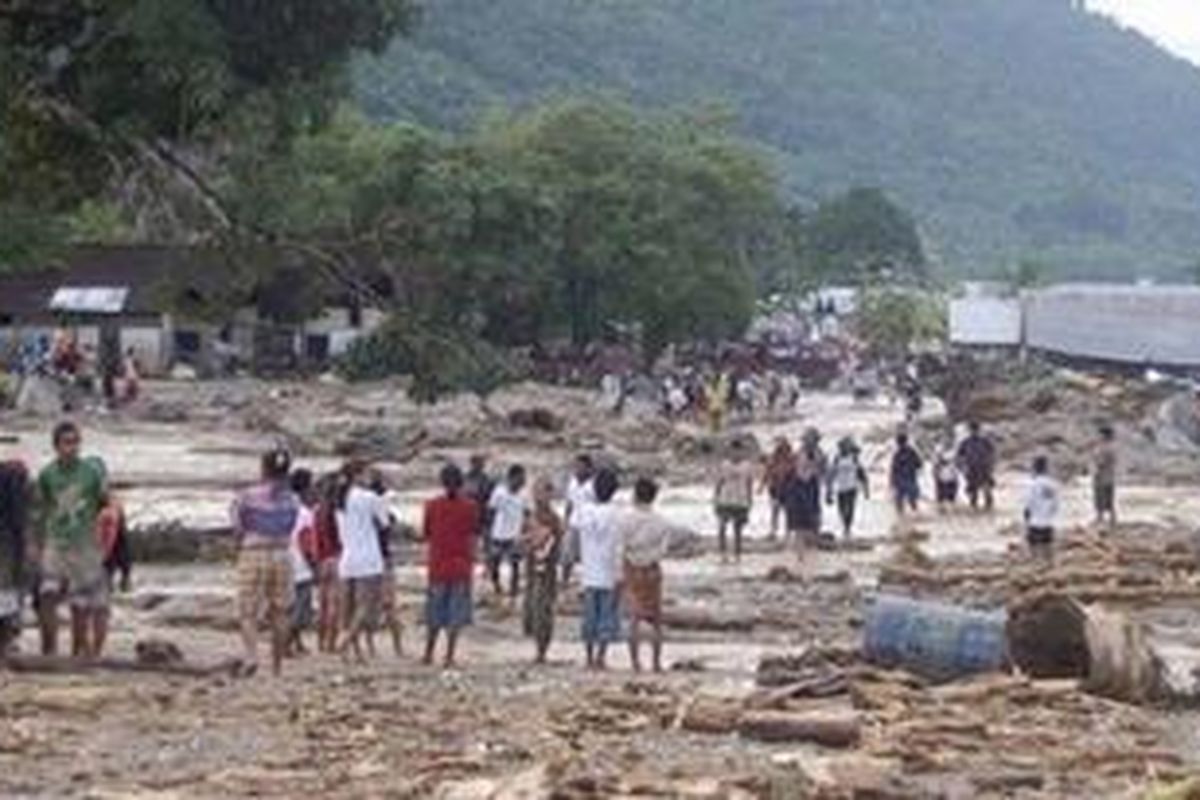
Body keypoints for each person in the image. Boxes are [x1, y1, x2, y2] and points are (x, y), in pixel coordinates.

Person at [36, 422, 109, 659]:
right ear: (56, 446)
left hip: (84, 545)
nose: (73, 447)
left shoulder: (91, 473)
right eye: (67, 442)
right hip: (56, 543)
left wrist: (105, 541)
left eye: (76, 442)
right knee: (47, 594)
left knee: (80, 603)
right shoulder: (47, 474)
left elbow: (106, 504)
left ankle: (78, 652)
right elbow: (42, 509)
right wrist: (36, 544)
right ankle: (49, 649)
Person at [230, 447, 300, 676]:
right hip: (282, 553)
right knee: (280, 611)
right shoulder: (293, 499)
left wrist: (237, 549)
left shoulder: (246, 496)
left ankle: (252, 656)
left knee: (248, 610)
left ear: (263, 468)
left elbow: (238, 527)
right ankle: (277, 665)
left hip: (254, 552)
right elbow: (291, 527)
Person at [422, 464, 479, 668]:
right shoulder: (470, 507)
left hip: (437, 564)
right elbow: (473, 536)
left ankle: (428, 653)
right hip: (461, 565)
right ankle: (449, 655)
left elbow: (427, 533)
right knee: (456, 614)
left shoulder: (432, 505)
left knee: (434, 612)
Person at [335, 460, 389, 663]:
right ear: (357, 476)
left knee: (347, 609)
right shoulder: (369, 497)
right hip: (368, 558)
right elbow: (384, 522)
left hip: (347, 557)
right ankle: (346, 641)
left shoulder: (340, 499)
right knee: (364, 606)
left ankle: (353, 651)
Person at [622, 477, 670, 673]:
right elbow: (663, 549)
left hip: (632, 567)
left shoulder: (626, 519)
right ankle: (656, 662)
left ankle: (635, 662)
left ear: (635, 495)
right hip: (652, 568)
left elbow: (621, 545)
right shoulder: (661, 522)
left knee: (634, 617)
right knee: (656, 618)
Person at [576, 468, 622, 669]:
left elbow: (576, 521)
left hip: (589, 571)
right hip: (608, 572)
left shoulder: (585, 511)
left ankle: (588, 656)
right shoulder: (616, 513)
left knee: (589, 617)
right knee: (606, 616)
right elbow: (619, 545)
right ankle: (600, 657)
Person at [521, 477, 564, 664]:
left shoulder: (553, 519)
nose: (538, 496)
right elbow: (523, 541)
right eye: (536, 492)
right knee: (533, 609)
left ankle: (541, 650)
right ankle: (539, 648)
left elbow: (555, 544)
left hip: (546, 571)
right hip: (533, 568)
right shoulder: (531, 517)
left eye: (542, 492)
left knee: (543, 611)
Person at [369, 471, 403, 657]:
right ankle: (397, 647)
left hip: (369, 560)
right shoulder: (386, 516)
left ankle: (369, 647)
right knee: (390, 606)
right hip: (384, 559)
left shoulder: (364, 513)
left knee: (368, 605)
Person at [286, 469, 318, 657]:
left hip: (283, 560)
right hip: (300, 565)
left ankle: (296, 643)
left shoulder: (284, 506)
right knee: (302, 609)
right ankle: (286, 643)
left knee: (289, 606)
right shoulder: (305, 513)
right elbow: (306, 542)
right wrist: (314, 564)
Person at [0, 461, 29, 653]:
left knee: (7, 593)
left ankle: (6, 640)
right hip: (8, 541)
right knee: (8, 593)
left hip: (7, 541)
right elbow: (18, 517)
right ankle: (7, 639)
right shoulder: (12, 475)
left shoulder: (10, 474)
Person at [487, 465, 528, 598]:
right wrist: (489, 531)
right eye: (520, 478)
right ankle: (496, 586)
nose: (523, 481)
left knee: (515, 564)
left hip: (515, 535)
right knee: (495, 562)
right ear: (511, 478)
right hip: (498, 534)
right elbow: (491, 511)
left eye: (523, 478)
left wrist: (524, 531)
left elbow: (527, 512)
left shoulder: (523, 494)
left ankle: (513, 591)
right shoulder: (499, 492)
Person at [313, 473, 343, 653]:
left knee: (322, 604)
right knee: (334, 605)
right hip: (336, 558)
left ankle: (320, 642)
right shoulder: (337, 512)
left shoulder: (317, 512)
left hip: (322, 559)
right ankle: (331, 644)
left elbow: (316, 540)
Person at [785, 428, 827, 550]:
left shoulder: (819, 453)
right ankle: (800, 539)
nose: (811, 443)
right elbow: (794, 469)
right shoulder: (798, 453)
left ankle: (813, 536)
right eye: (809, 440)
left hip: (813, 483)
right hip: (799, 484)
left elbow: (823, 469)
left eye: (813, 440)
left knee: (814, 510)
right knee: (800, 512)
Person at [713, 440, 755, 562]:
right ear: (730, 451)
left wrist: (750, 499)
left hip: (740, 499)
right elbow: (719, 481)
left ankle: (737, 554)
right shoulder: (724, 464)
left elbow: (749, 483)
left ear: (742, 451)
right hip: (725, 498)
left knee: (738, 529)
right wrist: (715, 497)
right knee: (722, 525)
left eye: (738, 451)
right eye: (733, 451)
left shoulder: (747, 466)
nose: (736, 453)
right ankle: (723, 553)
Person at [561, 454, 596, 584]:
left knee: (588, 557)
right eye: (575, 466)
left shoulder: (594, 485)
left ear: (589, 468)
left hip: (588, 526)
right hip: (574, 523)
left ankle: (587, 582)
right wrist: (565, 520)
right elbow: (569, 502)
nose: (577, 470)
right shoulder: (573, 482)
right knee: (567, 555)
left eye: (580, 467)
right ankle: (564, 581)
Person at [827, 437, 869, 538]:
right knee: (841, 509)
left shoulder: (854, 458)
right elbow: (832, 474)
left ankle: (847, 528)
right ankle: (845, 526)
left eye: (845, 447)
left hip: (852, 488)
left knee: (850, 508)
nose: (843, 449)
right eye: (842, 447)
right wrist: (829, 490)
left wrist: (866, 489)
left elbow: (861, 473)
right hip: (841, 488)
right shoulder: (837, 459)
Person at [95, 481, 132, 593]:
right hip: (113, 529)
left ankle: (119, 581)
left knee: (115, 553)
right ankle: (121, 581)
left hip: (113, 530)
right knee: (119, 552)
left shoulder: (109, 511)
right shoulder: (112, 508)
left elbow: (107, 535)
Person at [1024, 456, 1060, 563]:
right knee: (1048, 550)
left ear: (1034, 468)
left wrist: (1026, 517)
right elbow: (1056, 505)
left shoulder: (1033, 484)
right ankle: (1049, 566)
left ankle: (1036, 565)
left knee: (1033, 551)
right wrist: (1049, 515)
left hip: (1034, 522)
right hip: (1048, 522)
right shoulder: (1053, 484)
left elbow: (1029, 503)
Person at [957, 421, 996, 513]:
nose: (974, 432)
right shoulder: (966, 442)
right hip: (972, 468)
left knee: (986, 488)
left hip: (984, 468)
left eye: (975, 430)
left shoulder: (985, 441)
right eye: (972, 430)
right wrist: (962, 467)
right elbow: (959, 456)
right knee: (973, 489)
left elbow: (993, 453)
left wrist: (991, 465)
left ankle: (988, 506)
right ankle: (974, 506)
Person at [762, 437, 796, 541]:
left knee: (787, 511)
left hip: (787, 488)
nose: (782, 449)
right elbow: (767, 472)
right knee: (775, 510)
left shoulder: (791, 459)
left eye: (784, 446)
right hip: (775, 488)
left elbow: (795, 473)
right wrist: (762, 485)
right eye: (781, 447)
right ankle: (774, 531)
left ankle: (787, 532)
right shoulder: (773, 459)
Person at [890, 433, 923, 516]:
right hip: (906, 478)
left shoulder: (900, 453)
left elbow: (919, 464)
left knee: (904, 499)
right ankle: (908, 514)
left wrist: (892, 481)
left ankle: (903, 515)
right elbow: (919, 464)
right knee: (906, 499)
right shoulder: (908, 452)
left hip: (906, 478)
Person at [1093, 424, 1118, 528]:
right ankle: (1112, 520)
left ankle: (1101, 519)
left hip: (1102, 476)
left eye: (1099, 434)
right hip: (1110, 476)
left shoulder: (1103, 448)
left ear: (1104, 435)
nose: (1098, 436)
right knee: (1109, 499)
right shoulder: (1113, 446)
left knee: (1101, 498)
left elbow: (1101, 462)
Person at [933, 437, 960, 513]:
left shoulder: (953, 450)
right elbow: (936, 462)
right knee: (943, 492)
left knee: (948, 491)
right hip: (945, 473)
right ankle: (943, 507)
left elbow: (957, 461)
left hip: (949, 473)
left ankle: (946, 507)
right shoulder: (939, 449)